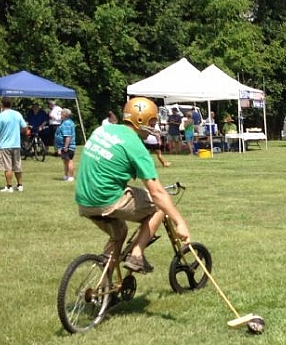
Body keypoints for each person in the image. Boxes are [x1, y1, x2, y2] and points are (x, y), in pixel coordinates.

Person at [75, 96, 191, 274]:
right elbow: (158, 193)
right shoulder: (137, 147)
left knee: (119, 233)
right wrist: (180, 223)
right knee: (160, 207)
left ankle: (104, 288)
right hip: (107, 200)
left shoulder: (102, 130)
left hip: (83, 200)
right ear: (140, 120)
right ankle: (136, 255)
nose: (153, 127)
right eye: (152, 122)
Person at [0, 96, 27, 192]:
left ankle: (9, 186)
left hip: (4, 144)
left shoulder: (1, 115)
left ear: (2, 104)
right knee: (17, 166)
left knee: (7, 167)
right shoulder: (17, 114)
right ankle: (20, 185)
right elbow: (24, 127)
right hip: (16, 143)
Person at [54, 107, 77, 181]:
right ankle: (66, 175)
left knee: (69, 160)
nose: (60, 115)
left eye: (61, 114)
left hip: (67, 146)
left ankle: (71, 176)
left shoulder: (67, 123)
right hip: (63, 146)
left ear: (65, 115)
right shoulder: (65, 122)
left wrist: (66, 146)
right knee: (65, 161)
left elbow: (68, 136)